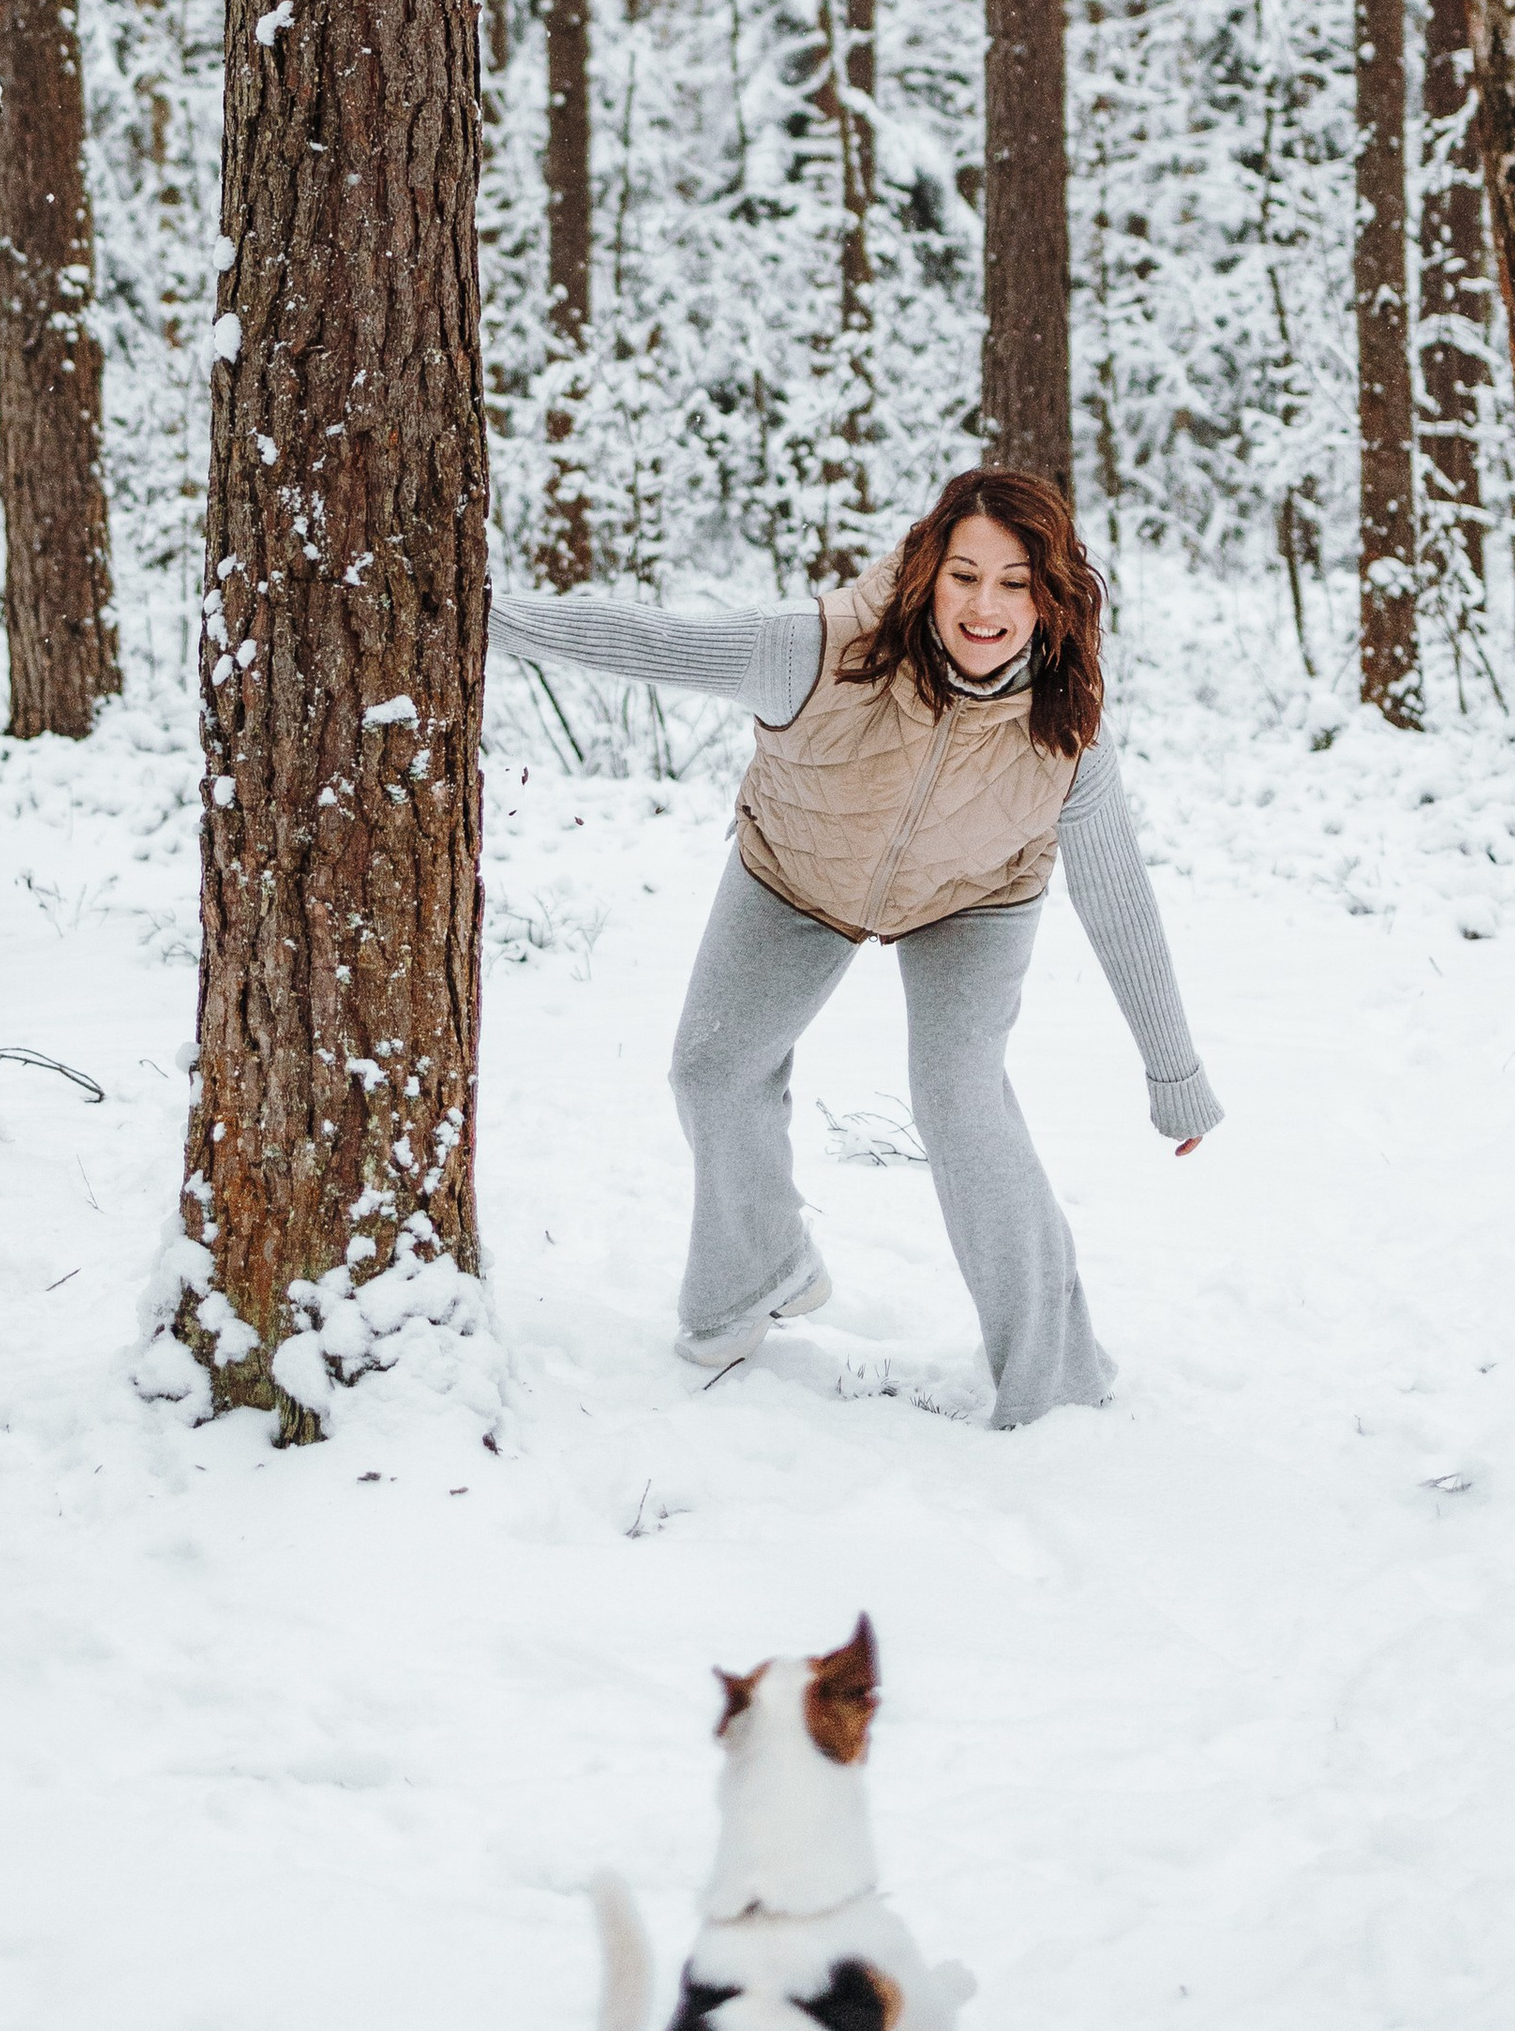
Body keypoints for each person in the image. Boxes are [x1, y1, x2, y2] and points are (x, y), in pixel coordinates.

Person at [488, 465, 1219, 1428]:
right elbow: (651, 641)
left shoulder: (1064, 729)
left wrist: (1174, 1072)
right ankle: (759, 1272)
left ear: (1051, 593)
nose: (986, 606)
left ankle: (1058, 1374)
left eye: (1014, 582)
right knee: (711, 1070)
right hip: (796, 868)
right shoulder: (817, 650)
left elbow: (1117, 893)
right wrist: (478, 610)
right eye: (965, 575)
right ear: (926, 571)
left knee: (961, 1099)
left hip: (975, 896)